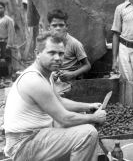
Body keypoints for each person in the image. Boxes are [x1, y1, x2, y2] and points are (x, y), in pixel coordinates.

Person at [3, 31, 106, 161]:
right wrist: (94, 118)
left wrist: (88, 106)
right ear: (37, 53)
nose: (58, 58)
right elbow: (64, 118)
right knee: (88, 134)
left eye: (61, 53)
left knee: (76, 124)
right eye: (52, 53)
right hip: (23, 145)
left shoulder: (47, 74)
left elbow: (60, 101)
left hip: (35, 136)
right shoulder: (34, 80)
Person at [48, 9, 91, 94]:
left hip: (66, 80)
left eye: (61, 25)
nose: (58, 28)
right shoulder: (47, 43)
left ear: (66, 26)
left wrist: (72, 74)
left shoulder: (74, 44)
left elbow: (87, 65)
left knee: (53, 95)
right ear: (49, 27)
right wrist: (50, 75)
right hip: (50, 77)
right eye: (54, 25)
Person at [0, 1, 14, 66]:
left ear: (4, 9)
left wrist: (9, 44)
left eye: (1, 8)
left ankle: (8, 75)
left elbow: (11, 33)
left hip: (4, 43)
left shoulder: (8, 20)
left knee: (6, 60)